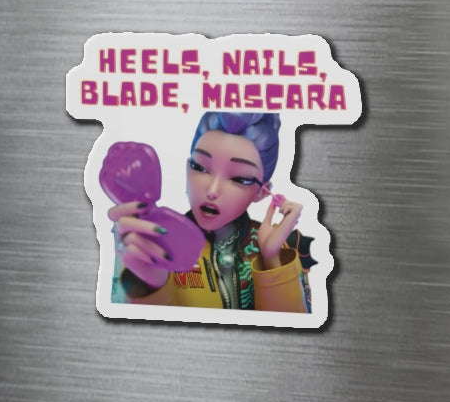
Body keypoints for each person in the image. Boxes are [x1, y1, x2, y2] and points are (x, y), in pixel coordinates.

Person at [107, 111, 314, 311]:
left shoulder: (282, 243)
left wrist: (272, 259)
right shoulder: (155, 243)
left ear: (262, 192)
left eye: (239, 179)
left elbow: (293, 330)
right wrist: (148, 286)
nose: (212, 191)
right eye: (200, 168)